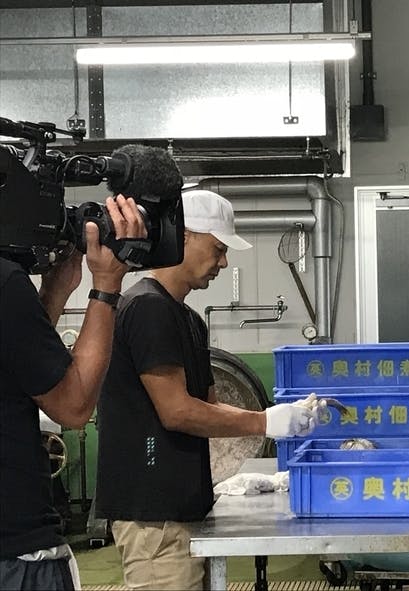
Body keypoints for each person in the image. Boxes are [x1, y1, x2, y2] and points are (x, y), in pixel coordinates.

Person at [95, 189, 319, 591]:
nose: (224, 262)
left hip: (183, 512)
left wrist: (277, 418)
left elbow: (208, 407)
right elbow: (177, 412)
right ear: (182, 236)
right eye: (218, 249)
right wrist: (264, 423)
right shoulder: (147, 308)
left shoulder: (187, 318)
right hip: (155, 520)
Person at [1, 159, 152, 588]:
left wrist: (51, 294)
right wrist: (106, 284)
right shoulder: (5, 284)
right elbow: (73, 406)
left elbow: (16, 366)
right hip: (15, 554)